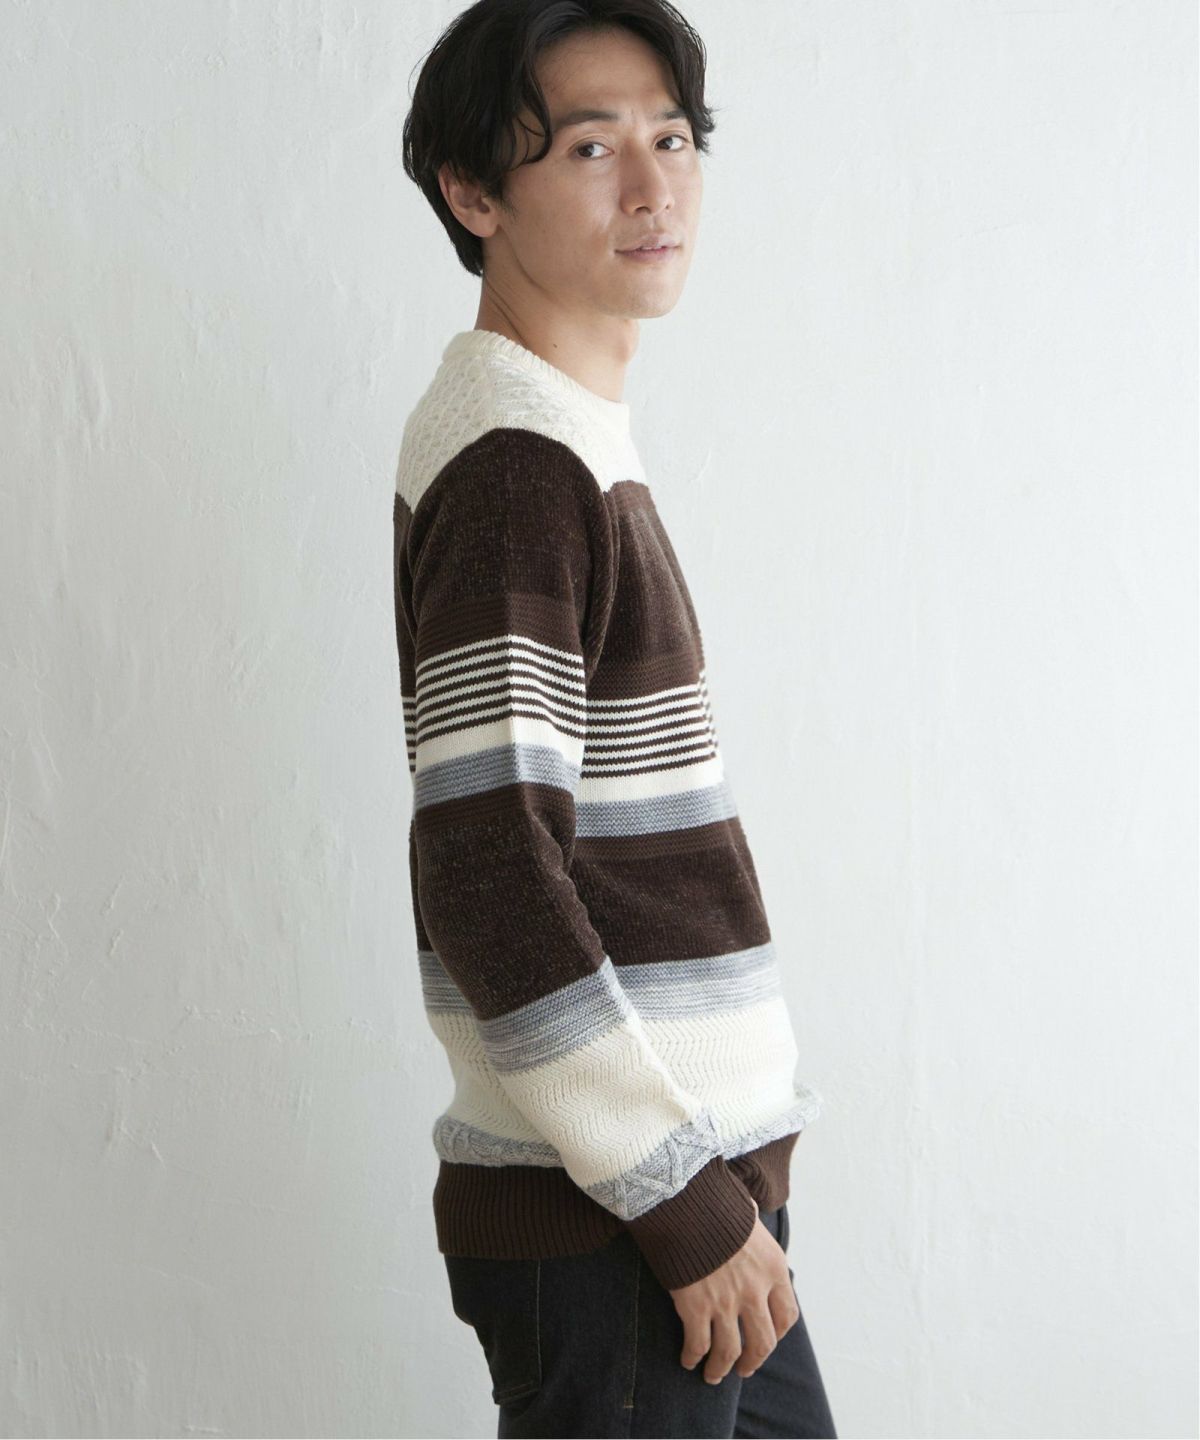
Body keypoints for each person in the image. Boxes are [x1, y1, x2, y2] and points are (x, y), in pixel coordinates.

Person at [395, 2, 837, 1434]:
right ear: (475, 192)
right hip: (625, 1221)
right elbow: (487, 873)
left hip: (683, 1195)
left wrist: (707, 1192)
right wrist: (677, 1198)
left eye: (674, 138)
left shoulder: (563, 436)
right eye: (591, 148)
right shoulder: (517, 464)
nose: (654, 187)